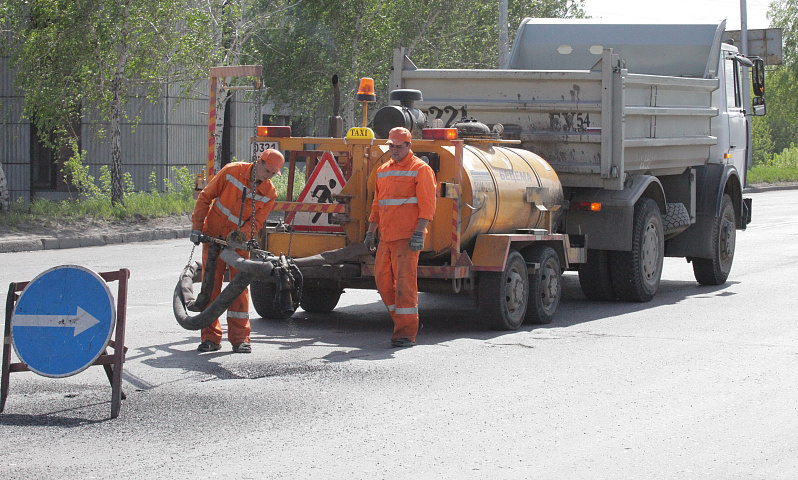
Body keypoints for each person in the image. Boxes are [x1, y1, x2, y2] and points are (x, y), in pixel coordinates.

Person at [189, 149, 283, 353]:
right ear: (259, 162)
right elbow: (206, 197)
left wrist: (238, 238)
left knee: (239, 290)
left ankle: (241, 339)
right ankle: (210, 338)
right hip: (213, 237)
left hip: (239, 244)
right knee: (210, 287)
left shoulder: (270, 193)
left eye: (273, 174)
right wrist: (197, 227)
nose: (269, 176)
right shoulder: (231, 172)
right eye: (268, 171)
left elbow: (256, 222)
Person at [364, 127, 437, 348]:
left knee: (404, 286)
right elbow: (378, 204)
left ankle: (405, 334)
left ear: (408, 146)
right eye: (391, 146)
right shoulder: (383, 170)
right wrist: (370, 231)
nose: (393, 150)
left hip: (407, 238)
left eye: (398, 147)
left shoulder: (420, 169)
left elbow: (427, 206)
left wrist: (418, 232)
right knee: (382, 281)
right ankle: (402, 321)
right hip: (386, 237)